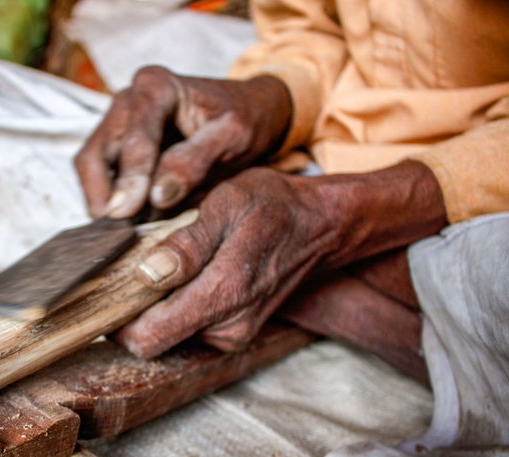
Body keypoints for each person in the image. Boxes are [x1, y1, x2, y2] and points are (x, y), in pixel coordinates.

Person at [72, 1, 509, 381]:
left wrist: (341, 210)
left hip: (487, 185)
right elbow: (305, 30)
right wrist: (269, 100)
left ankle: (344, 291)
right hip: (331, 149)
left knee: (489, 283)